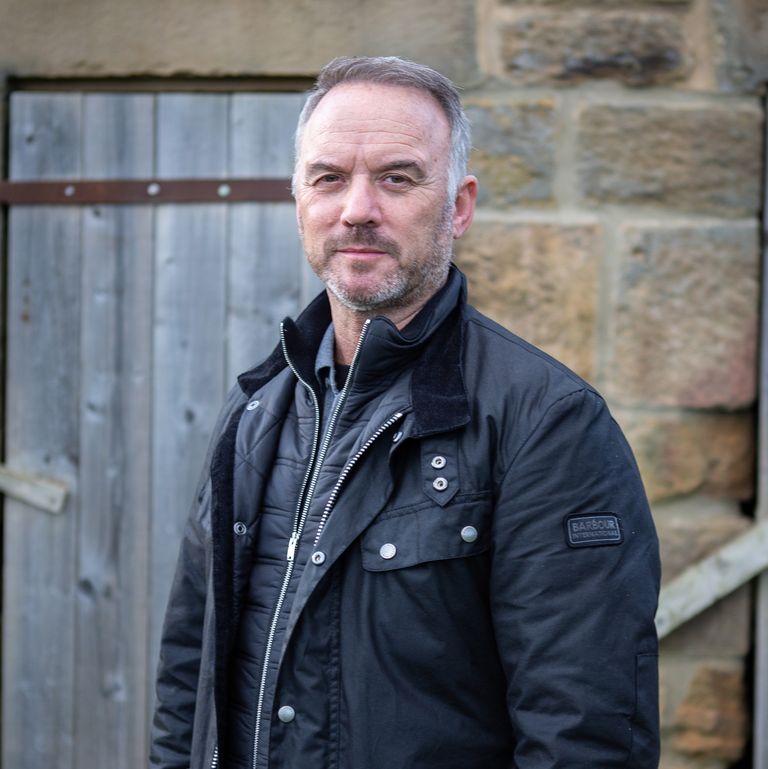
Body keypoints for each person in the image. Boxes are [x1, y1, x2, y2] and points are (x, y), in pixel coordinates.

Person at [150, 56, 660, 769]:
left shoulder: (547, 423)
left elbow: (586, 735)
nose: (358, 207)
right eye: (329, 177)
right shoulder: (256, 410)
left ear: (458, 205)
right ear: (299, 199)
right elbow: (188, 681)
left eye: (397, 177)